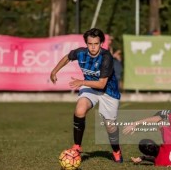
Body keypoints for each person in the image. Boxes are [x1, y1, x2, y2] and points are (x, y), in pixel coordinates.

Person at [50, 28, 123, 163]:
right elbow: (67, 57)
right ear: (86, 43)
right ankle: (77, 146)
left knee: (109, 126)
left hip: (108, 92)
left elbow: (101, 84)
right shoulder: (81, 53)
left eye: (96, 43)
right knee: (79, 110)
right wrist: (54, 71)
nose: (93, 47)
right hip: (90, 86)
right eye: (90, 44)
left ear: (101, 43)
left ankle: (116, 150)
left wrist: (82, 81)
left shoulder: (106, 58)